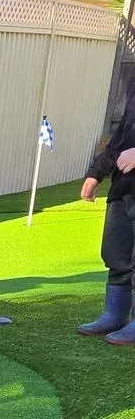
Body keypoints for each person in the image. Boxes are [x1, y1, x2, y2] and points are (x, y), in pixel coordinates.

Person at [79, 81, 135, 344]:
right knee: (116, 250)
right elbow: (121, 135)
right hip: (124, 186)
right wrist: (96, 173)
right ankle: (115, 314)